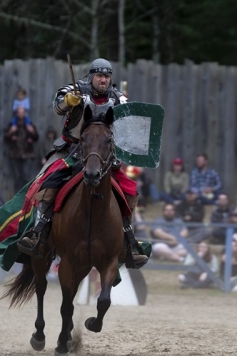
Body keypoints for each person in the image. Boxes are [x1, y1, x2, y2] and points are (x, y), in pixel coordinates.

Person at [17, 58, 148, 268]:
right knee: (47, 182)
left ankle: (126, 241)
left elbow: (130, 126)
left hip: (103, 157)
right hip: (70, 150)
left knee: (129, 191)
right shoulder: (76, 90)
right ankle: (38, 233)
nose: (103, 80)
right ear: (91, 76)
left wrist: (128, 110)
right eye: (99, 75)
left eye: (106, 76)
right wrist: (67, 101)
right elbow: (57, 106)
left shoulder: (118, 98)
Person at [5, 106, 39, 191]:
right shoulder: (12, 124)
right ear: (17, 113)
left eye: (22, 112)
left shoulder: (29, 124)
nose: (20, 114)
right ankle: (17, 197)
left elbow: (36, 138)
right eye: (19, 112)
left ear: (24, 113)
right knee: (17, 178)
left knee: (26, 176)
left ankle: (27, 196)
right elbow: (5, 138)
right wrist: (10, 132)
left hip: (27, 154)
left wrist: (32, 131)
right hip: (15, 154)